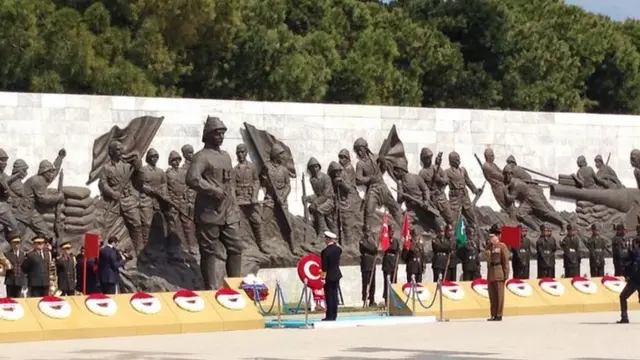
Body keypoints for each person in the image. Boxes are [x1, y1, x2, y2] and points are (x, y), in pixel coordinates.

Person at [485, 224, 509, 322]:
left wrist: (506, 274)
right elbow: (486, 256)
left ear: (498, 236)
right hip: (491, 272)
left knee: (499, 296)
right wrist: (489, 245)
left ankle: (499, 314)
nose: (491, 238)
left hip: (499, 271)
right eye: (490, 236)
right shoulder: (489, 247)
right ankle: (493, 314)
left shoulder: (502, 246)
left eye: (493, 236)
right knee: (492, 296)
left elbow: (505, 262)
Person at [320, 231, 342, 321]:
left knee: (329, 296)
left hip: (328, 276)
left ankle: (329, 316)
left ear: (328, 239)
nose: (324, 240)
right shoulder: (338, 250)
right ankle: (334, 315)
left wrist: (322, 278)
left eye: (326, 238)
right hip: (336, 274)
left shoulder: (325, 252)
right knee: (335, 295)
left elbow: (324, 267)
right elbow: (340, 248)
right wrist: (335, 242)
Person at [618, 237, 640, 324]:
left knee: (623, 297)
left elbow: (626, 262)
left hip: (634, 281)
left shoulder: (634, 252)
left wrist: (628, 276)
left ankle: (624, 317)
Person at [381, 224, 400, 304]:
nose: (392, 233)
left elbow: (398, 250)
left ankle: (394, 300)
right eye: (391, 231)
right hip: (387, 262)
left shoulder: (395, 240)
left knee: (394, 282)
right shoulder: (385, 239)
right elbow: (385, 248)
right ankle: (386, 299)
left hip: (394, 263)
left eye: (393, 231)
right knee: (387, 282)